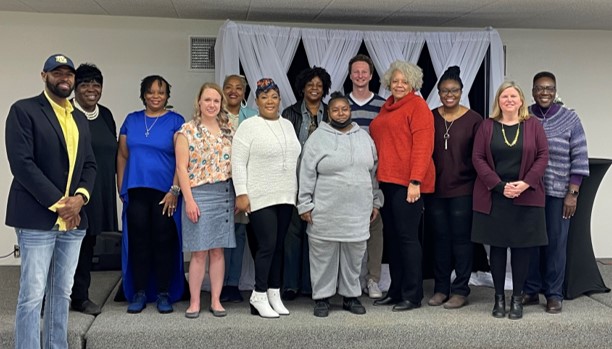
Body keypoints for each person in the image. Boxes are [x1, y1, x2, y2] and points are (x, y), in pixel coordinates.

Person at [6, 54, 96, 348]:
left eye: (69, 74)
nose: (64, 78)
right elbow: (22, 165)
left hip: (73, 221)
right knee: (32, 295)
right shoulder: (24, 110)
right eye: (57, 72)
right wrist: (61, 204)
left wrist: (80, 199)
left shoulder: (79, 117)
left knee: (62, 294)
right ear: (43, 75)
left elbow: (90, 165)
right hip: (37, 217)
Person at [297, 92, 383, 317]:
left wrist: (376, 200)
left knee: (354, 257)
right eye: (335, 109)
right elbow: (306, 171)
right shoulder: (318, 137)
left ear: (350, 110)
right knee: (323, 257)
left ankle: (350, 296)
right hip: (326, 210)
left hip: (357, 212)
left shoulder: (364, 137)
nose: (340, 113)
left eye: (344, 108)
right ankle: (322, 298)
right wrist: (304, 203)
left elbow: (373, 172)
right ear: (329, 112)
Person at [472, 81, 549, 320]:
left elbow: (543, 155)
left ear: (521, 101)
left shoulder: (533, 125)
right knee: (496, 248)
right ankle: (498, 298)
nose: (509, 100)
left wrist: (525, 183)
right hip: (495, 196)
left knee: (521, 250)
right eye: (504, 96)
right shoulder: (487, 126)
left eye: (513, 96)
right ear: (498, 101)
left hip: (526, 195)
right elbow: (478, 158)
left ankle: (517, 299)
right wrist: (498, 185)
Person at [232, 78, 301, 318]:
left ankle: (274, 293)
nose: (269, 101)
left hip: (285, 195)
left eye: (273, 96)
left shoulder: (288, 125)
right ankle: (258, 295)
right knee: (267, 245)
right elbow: (238, 161)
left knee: (279, 246)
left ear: (280, 99)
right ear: (257, 101)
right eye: (264, 97)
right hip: (259, 195)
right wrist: (241, 192)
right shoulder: (249, 126)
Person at [369, 60, 435, 312]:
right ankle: (396, 290)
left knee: (408, 239)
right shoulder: (387, 108)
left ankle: (412, 294)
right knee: (394, 239)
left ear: (413, 84)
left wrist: (415, 181)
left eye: (404, 81)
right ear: (388, 82)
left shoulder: (418, 107)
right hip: (388, 182)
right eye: (395, 81)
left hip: (409, 184)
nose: (399, 85)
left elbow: (423, 146)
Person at [117, 75, 185, 314]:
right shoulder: (131, 120)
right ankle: (140, 292)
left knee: (164, 242)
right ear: (143, 94)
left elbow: (182, 160)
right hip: (136, 191)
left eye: (161, 92)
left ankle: (164, 293)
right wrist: (121, 188)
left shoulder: (176, 121)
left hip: (165, 194)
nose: (156, 96)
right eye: (151, 91)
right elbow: (123, 156)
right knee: (139, 243)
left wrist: (174, 191)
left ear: (167, 95)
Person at [522, 72, 589, 313]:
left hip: (559, 193)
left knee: (555, 244)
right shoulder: (524, 116)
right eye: (539, 88)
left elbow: (579, 156)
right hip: (529, 192)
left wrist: (573, 192)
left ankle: (553, 294)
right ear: (532, 91)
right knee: (529, 243)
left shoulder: (570, 118)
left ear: (555, 90)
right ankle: (530, 290)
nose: (544, 92)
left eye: (549, 88)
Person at [175, 82, 236, 318]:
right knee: (199, 252)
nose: (212, 104)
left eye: (216, 101)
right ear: (199, 102)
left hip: (223, 194)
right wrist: (188, 200)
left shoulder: (228, 130)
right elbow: (181, 168)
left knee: (218, 251)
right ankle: (194, 302)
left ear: (221, 104)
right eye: (207, 100)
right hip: (197, 194)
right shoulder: (186, 131)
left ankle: (216, 300)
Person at [425, 66, 483, 309]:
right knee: (439, 240)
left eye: (454, 91)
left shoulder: (474, 120)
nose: (450, 95)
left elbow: (480, 156)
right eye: (445, 91)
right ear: (438, 93)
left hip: (464, 190)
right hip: (435, 190)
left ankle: (460, 289)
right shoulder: (430, 116)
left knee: (461, 241)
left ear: (462, 92)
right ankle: (440, 288)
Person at [70, 63, 118, 316]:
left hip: (99, 191)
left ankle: (80, 297)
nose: (91, 89)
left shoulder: (106, 114)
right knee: (61, 246)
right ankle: (49, 297)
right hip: (71, 193)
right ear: (76, 88)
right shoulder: (66, 112)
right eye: (85, 84)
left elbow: (114, 152)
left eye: (96, 85)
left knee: (87, 246)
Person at [281, 66, 331, 300]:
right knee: (293, 235)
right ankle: (290, 285)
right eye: (310, 85)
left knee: (316, 235)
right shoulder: (290, 113)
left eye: (319, 85)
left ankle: (311, 285)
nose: (314, 89)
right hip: (294, 179)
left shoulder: (331, 113)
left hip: (323, 183)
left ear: (325, 89)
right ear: (302, 87)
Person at [347, 54, 386, 299]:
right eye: (356, 72)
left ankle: (372, 279)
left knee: (374, 226)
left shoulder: (383, 105)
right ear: (350, 75)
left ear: (371, 76)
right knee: (349, 229)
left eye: (364, 72)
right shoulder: (338, 104)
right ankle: (351, 280)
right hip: (346, 175)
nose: (360, 76)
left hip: (374, 173)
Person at [220, 74, 258, 303]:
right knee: (220, 236)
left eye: (238, 88)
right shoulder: (213, 114)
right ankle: (219, 282)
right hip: (219, 183)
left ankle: (232, 283)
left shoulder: (253, 117)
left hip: (244, 183)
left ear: (244, 93)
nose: (233, 91)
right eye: (228, 87)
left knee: (239, 234)